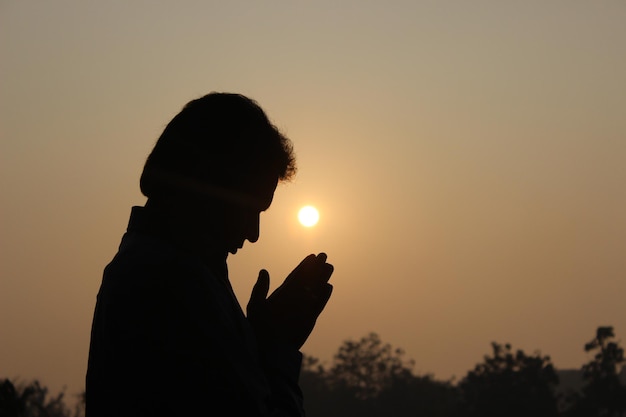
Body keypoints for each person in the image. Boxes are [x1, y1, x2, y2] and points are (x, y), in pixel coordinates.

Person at [85, 93, 334, 416]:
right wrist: (276, 350)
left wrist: (257, 342)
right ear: (208, 185)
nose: (253, 234)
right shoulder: (171, 284)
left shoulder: (161, 269)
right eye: (249, 210)